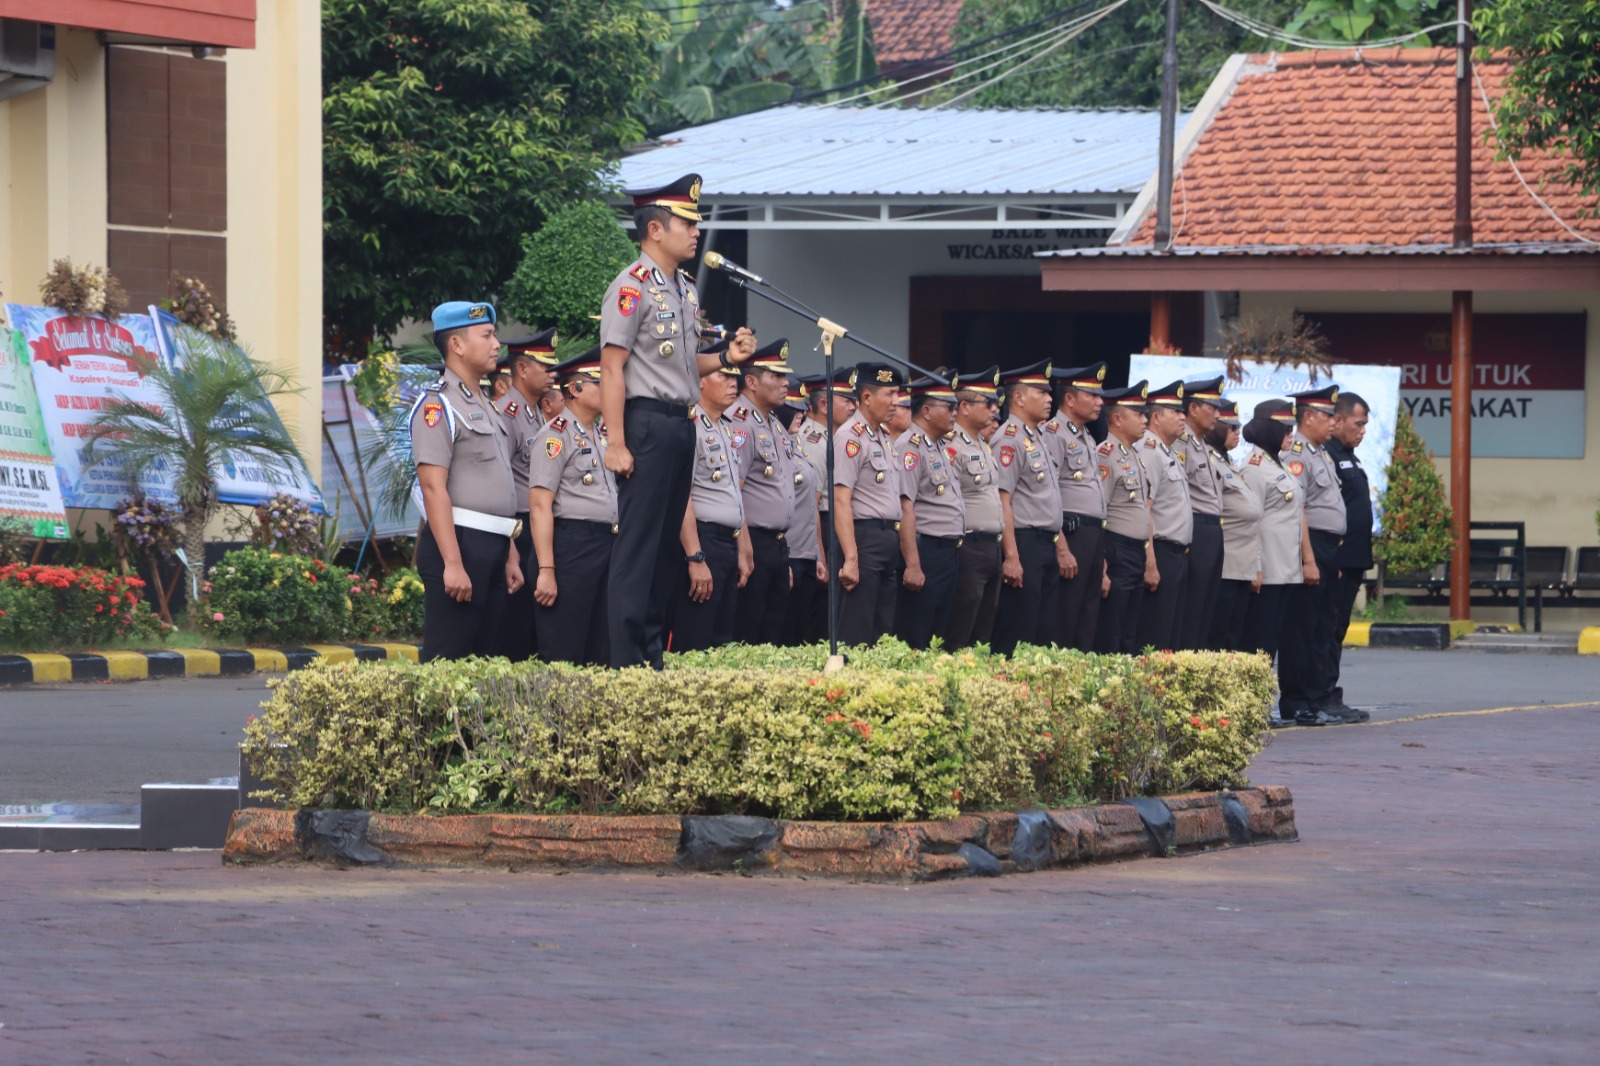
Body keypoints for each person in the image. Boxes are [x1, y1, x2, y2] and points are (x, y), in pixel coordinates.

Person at [600, 173, 756, 668]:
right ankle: (626, 659)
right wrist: (617, 441)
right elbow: (611, 367)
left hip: (681, 423)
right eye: (686, 223)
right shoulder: (631, 286)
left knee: (665, 547)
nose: (696, 231)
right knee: (638, 546)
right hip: (646, 422)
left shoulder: (684, 289)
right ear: (655, 230)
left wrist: (726, 358)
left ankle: (650, 653)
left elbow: (687, 366)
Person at [408, 301, 524, 662]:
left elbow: (498, 483)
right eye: (486, 335)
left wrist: (510, 550)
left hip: (494, 544)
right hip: (460, 543)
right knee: (449, 662)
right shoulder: (438, 405)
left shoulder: (486, 405)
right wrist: (453, 563)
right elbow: (432, 489)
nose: (496, 344)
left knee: (485, 663)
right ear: (457, 344)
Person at [1277, 385, 1364, 725]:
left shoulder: (1320, 453)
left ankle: (1316, 698)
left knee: (1321, 627)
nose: (1333, 422)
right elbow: (1297, 509)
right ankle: (1296, 700)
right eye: (1327, 416)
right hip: (1310, 544)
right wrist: (1309, 558)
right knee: (1301, 628)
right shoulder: (1296, 453)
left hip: (1328, 548)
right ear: (1309, 417)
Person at [528, 346, 616, 665]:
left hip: (606, 544)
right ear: (576, 389)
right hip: (572, 547)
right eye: (600, 382)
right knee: (564, 650)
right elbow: (540, 505)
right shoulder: (555, 436)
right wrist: (546, 569)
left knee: (601, 651)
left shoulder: (603, 436)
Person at [671, 357, 751, 651]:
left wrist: (742, 545)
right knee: (695, 637)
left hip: (726, 543)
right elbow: (682, 495)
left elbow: (732, 493)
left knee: (722, 641)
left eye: (734, 377)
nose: (733, 383)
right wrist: (695, 557)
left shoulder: (725, 427)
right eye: (724, 376)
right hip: (703, 540)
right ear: (700, 380)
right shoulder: (691, 425)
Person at [989, 361, 1068, 657]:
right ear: (1019, 398)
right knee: (1018, 631)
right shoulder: (1009, 438)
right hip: (1024, 543)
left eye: (1049, 393)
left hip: (1045, 543)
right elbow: (1003, 500)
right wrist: (1011, 556)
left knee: (1041, 633)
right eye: (1041, 392)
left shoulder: (1037, 437)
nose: (1049, 398)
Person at [493, 328, 560, 662]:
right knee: (516, 628)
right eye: (545, 367)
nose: (552, 374)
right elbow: (500, 480)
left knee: (535, 626)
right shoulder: (506, 414)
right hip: (516, 530)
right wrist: (509, 545)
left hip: (536, 527)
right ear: (521, 368)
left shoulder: (535, 414)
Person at [833, 362, 908, 646]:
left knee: (882, 631)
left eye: (896, 394)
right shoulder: (850, 436)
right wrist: (851, 558)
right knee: (857, 629)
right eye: (889, 394)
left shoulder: (882, 437)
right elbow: (841, 499)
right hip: (864, 539)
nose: (896, 401)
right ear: (866, 397)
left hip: (888, 539)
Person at [729, 339, 798, 644]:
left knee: (773, 636)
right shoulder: (740, 423)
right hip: (752, 540)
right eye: (777, 376)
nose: (785, 384)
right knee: (748, 633)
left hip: (777, 545)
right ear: (752, 381)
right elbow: (736, 490)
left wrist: (784, 557)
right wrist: (745, 548)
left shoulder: (775, 424)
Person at [893, 375, 965, 648]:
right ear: (926, 411)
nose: (955, 413)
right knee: (917, 632)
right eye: (949, 407)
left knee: (937, 634)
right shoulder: (910, 447)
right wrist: (913, 564)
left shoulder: (938, 446)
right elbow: (905, 507)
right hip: (926, 551)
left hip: (947, 552)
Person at [1044, 362, 1107, 651]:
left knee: (1088, 617)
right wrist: (1061, 547)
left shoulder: (1087, 436)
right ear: (1069, 399)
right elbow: (1049, 493)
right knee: (1065, 618)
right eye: (1092, 395)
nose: (1099, 402)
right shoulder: (1054, 433)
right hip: (1072, 533)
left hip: (1093, 534)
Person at [1237, 401, 1306, 664]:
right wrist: (1254, 567)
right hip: (1265, 572)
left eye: (1291, 429)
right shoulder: (1254, 467)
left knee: (1270, 645)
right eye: (1285, 429)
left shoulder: (1278, 464)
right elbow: (1249, 522)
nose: (1291, 435)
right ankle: (1252, 692)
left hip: (1284, 570)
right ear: (1269, 430)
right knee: (1257, 645)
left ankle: (1261, 690)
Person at [942, 367, 1004, 650]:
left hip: (992, 546)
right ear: (964, 407)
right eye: (988, 403)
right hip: (969, 546)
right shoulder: (951, 444)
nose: (994, 409)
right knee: (961, 627)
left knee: (984, 631)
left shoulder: (983, 444)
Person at [1094, 382, 1158, 654]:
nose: (1145, 420)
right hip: (1116, 551)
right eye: (1138, 414)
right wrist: (1101, 566)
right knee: (1112, 630)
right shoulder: (1106, 455)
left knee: (1129, 633)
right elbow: (1100, 511)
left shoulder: (1134, 455)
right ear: (1118, 419)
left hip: (1136, 552)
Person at [795, 367, 855, 642]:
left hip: (834, 525)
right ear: (823, 405)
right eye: (846, 400)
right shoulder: (815, 442)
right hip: (823, 527)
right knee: (821, 614)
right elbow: (813, 503)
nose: (853, 407)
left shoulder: (833, 438)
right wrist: (821, 555)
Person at [1134, 380, 1192, 652]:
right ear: (1155, 417)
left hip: (1177, 554)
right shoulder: (1149, 450)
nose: (1182, 417)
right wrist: (1151, 561)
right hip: (1160, 552)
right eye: (1175, 411)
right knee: (1155, 638)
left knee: (1171, 639)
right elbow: (1145, 509)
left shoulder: (1167, 451)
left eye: (1182, 411)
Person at [1326, 390, 1372, 713]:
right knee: (1327, 630)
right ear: (1338, 420)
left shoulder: (1350, 456)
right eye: (1358, 424)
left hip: (1353, 560)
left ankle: (1330, 694)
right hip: (1338, 560)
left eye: (1365, 425)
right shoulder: (1327, 455)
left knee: (1337, 629)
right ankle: (1323, 696)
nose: (1362, 431)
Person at [1207, 399, 1262, 651]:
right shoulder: (1209, 459)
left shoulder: (1227, 461)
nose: (1237, 432)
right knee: (1218, 637)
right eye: (1231, 427)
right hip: (1225, 564)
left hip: (1241, 564)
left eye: (1238, 427)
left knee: (1233, 637)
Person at [1177, 376, 1226, 650]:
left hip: (1212, 531)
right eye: (1212, 408)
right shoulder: (1181, 442)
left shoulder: (1201, 444)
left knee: (1206, 610)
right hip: (1196, 529)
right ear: (1193, 409)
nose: (1218, 415)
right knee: (1192, 611)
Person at [781, 379, 827, 645]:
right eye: (793, 407)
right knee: (783, 633)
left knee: (801, 635)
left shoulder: (797, 445)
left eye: (802, 407)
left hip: (806, 553)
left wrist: (817, 554)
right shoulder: (777, 444)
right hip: (788, 552)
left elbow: (812, 506)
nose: (800, 412)